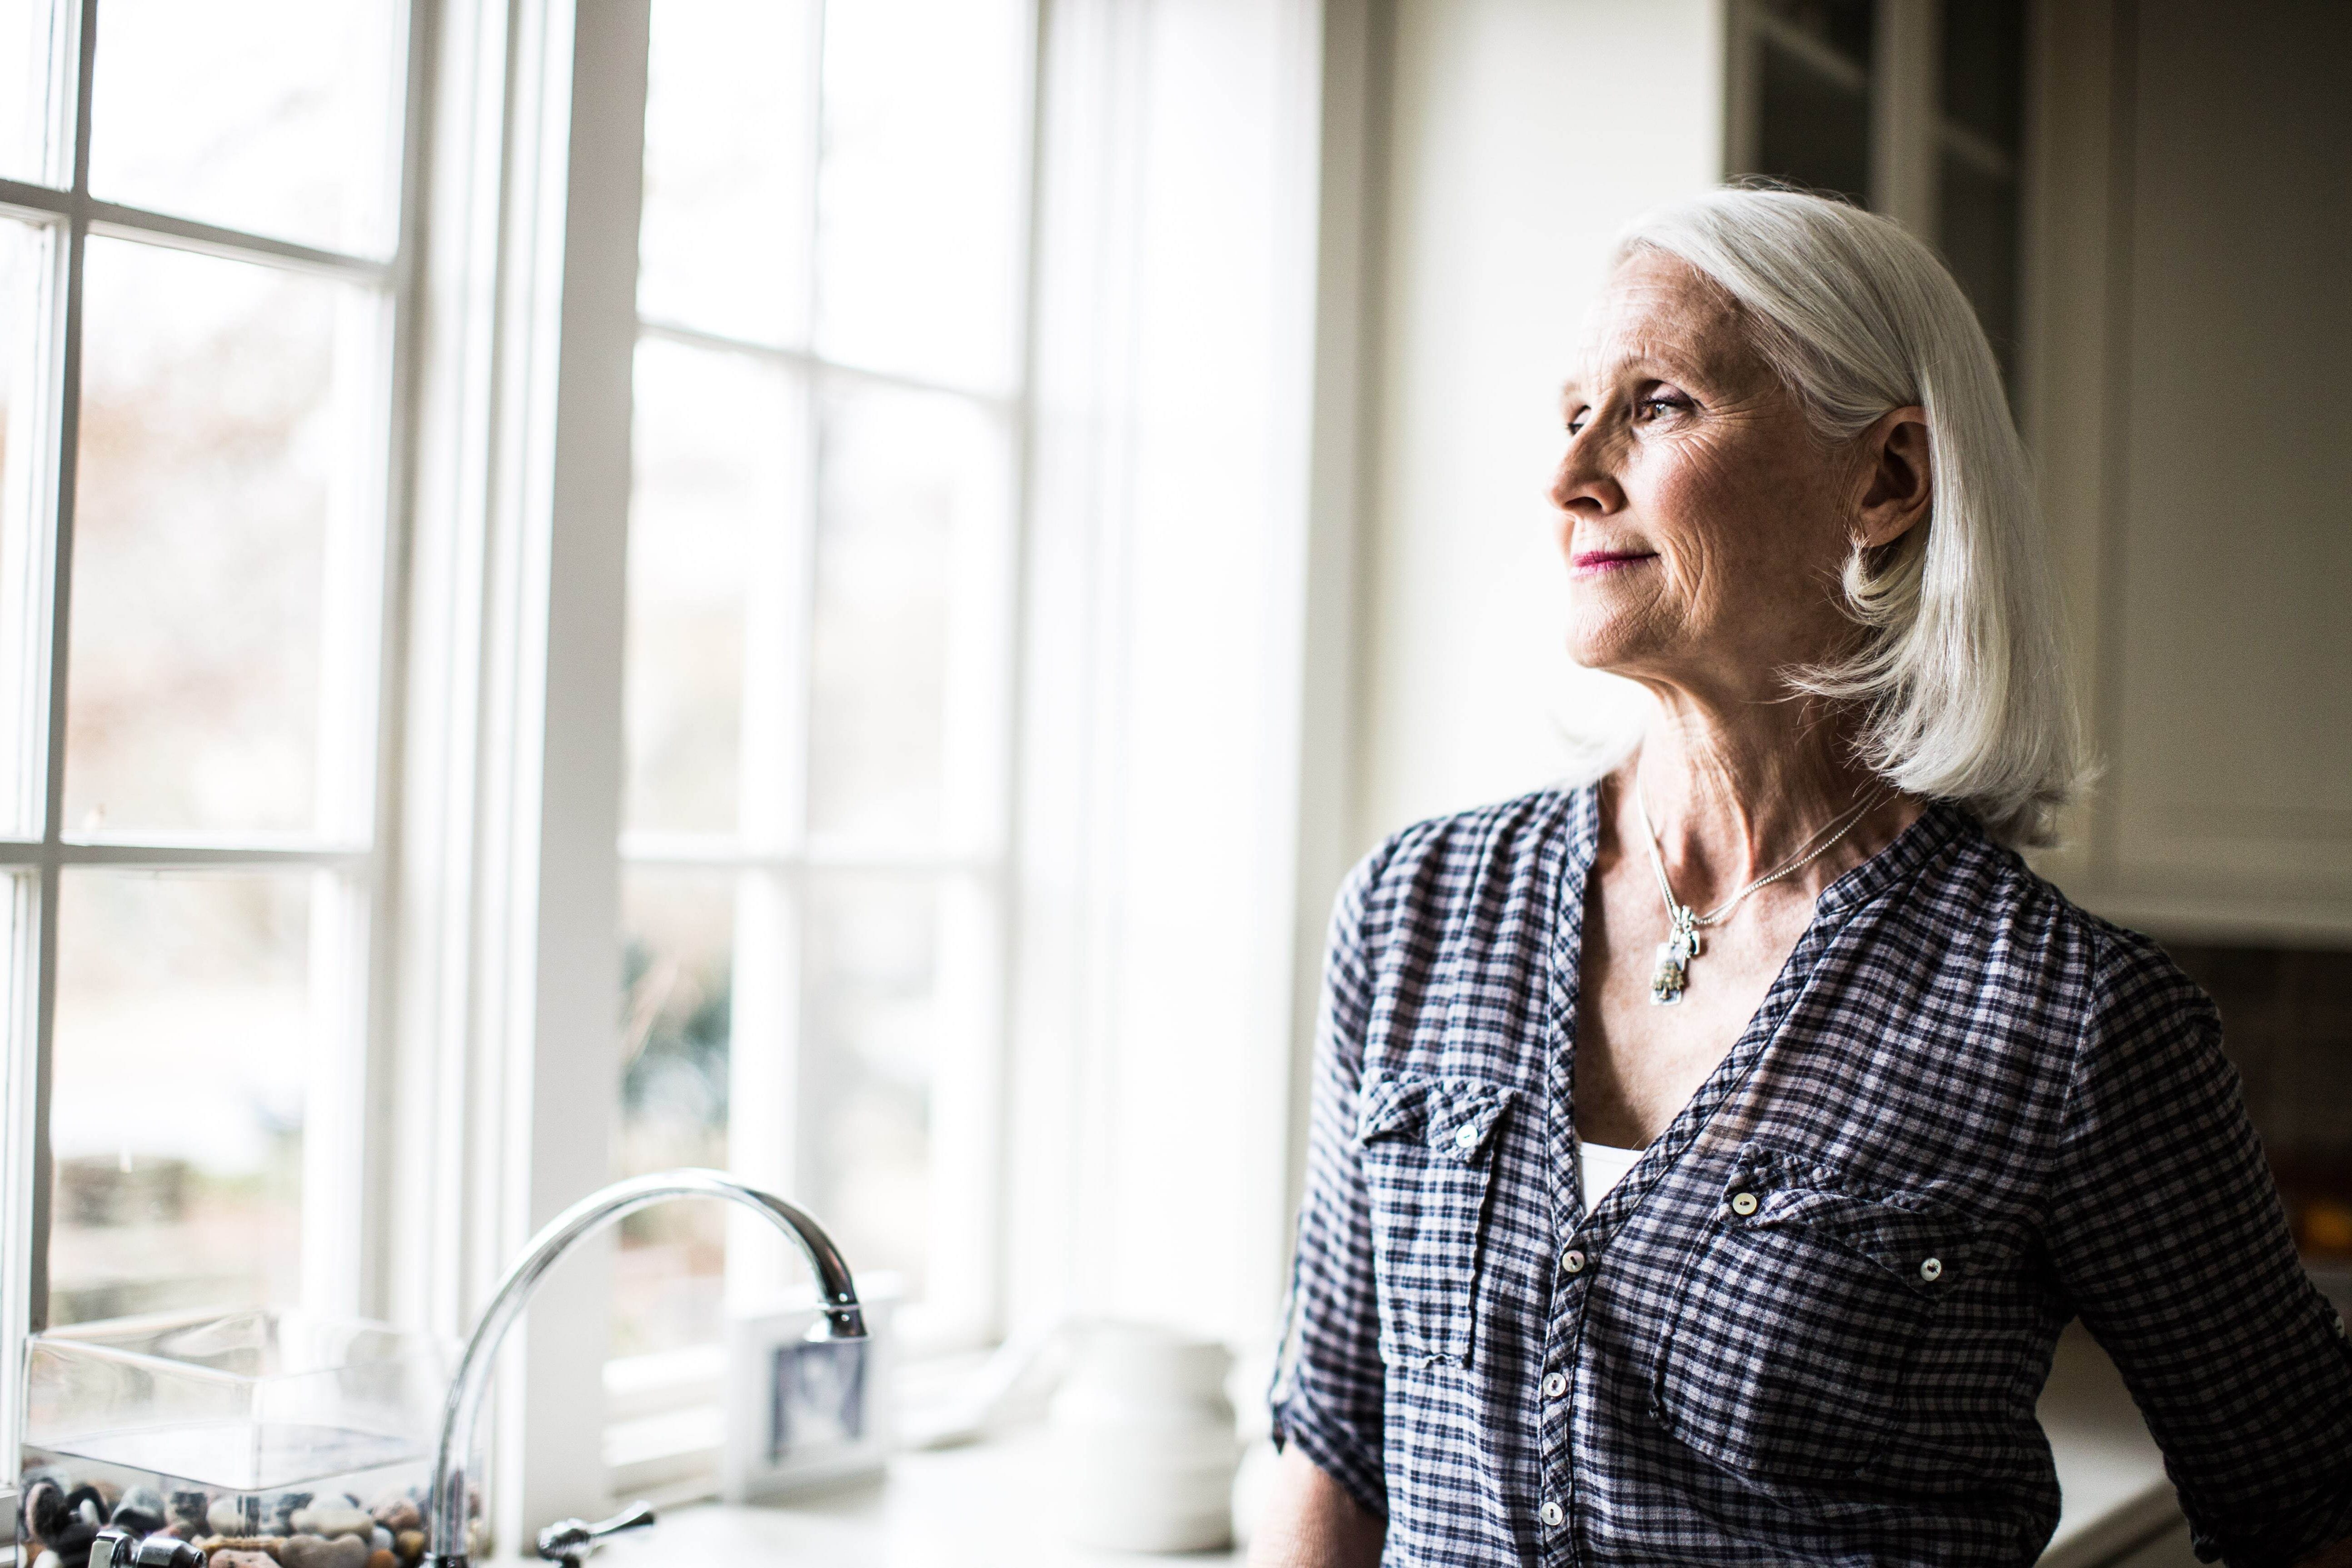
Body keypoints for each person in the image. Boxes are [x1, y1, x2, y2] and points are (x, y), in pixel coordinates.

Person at [1251, 187, 2352, 1567]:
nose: (1572, 474)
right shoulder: (1416, 913)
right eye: (1573, 408)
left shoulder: (2070, 1025)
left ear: (1885, 481)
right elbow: (1336, 1452)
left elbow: (2307, 1506)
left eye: (1658, 405)